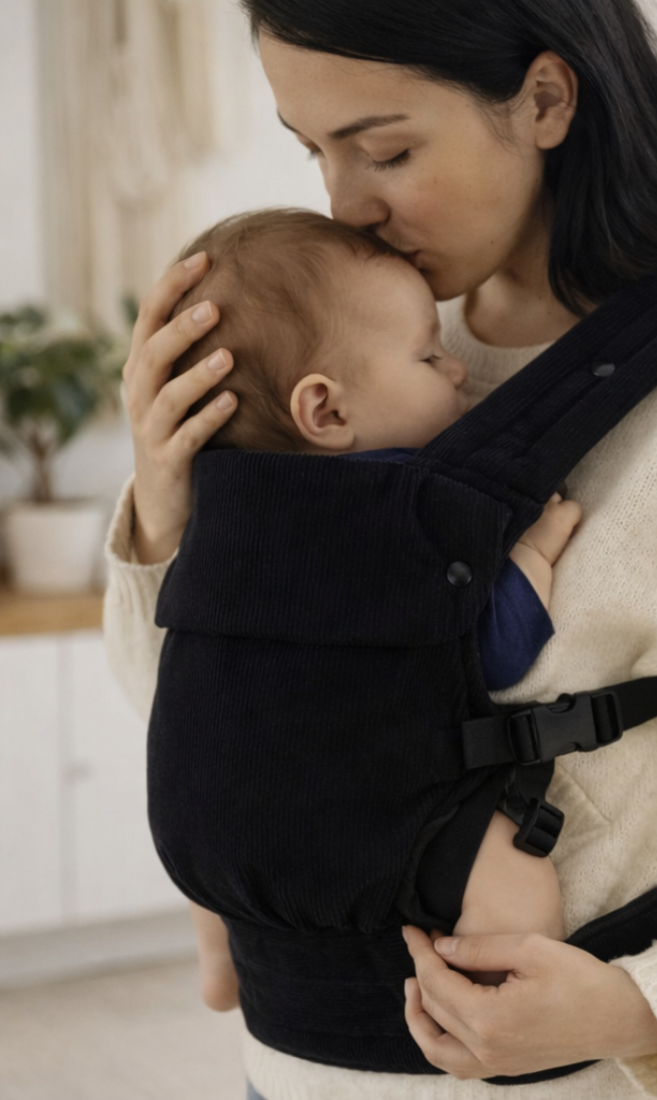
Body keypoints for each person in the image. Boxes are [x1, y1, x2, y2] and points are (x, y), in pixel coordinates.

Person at [104, 1, 657, 1097]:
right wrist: (167, 516)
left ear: (546, 99)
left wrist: (641, 1003)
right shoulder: (330, 353)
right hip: (284, 1068)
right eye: (311, 150)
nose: (342, 204)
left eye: (385, 148)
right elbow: (217, 727)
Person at [163, 207, 579, 1011]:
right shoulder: (402, 512)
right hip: (368, 816)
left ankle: (221, 960)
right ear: (327, 411)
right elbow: (484, 653)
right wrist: (533, 552)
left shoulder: (212, 510)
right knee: (514, 871)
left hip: (202, 825)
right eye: (429, 355)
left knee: (218, 839)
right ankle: (500, 1005)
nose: (457, 370)